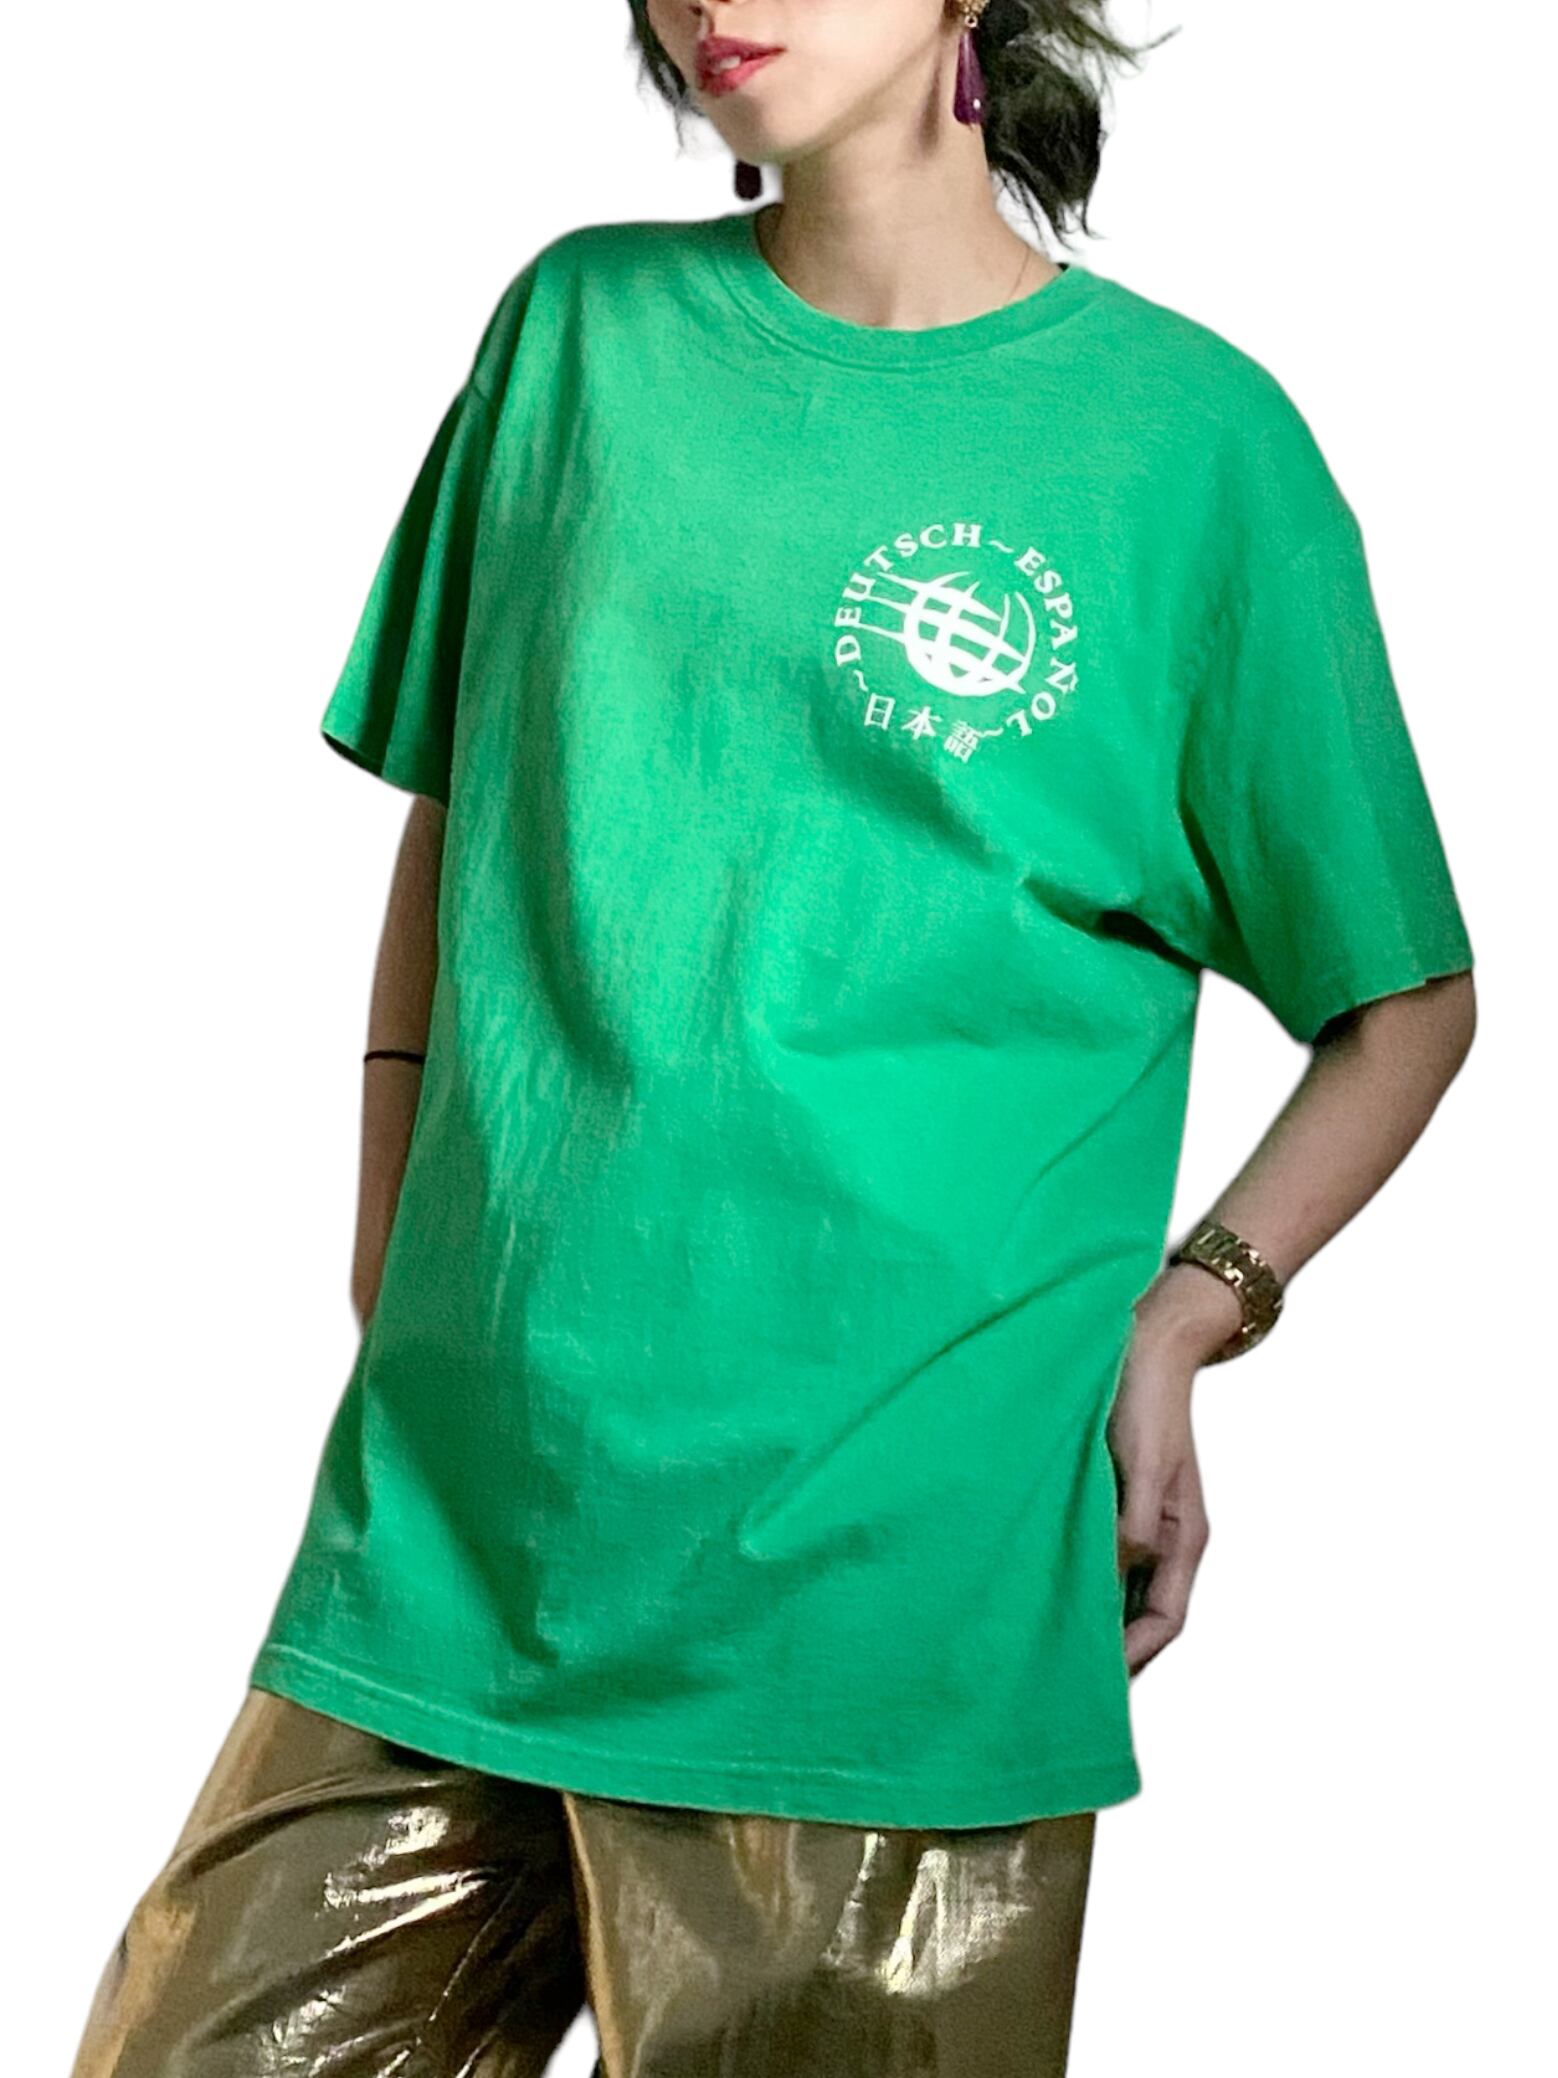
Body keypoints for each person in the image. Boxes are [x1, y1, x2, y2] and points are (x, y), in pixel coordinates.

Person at [69, 2, 1479, 2074]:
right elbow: (468, 799)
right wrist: (391, 1237)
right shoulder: (577, 334)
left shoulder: (1188, 445)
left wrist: (1193, 1313)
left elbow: (1400, 997)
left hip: (884, 1568)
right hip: (465, 1523)